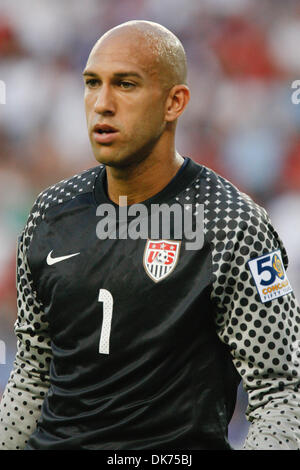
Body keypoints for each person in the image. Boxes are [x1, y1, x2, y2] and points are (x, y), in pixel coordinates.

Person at [0, 20, 300, 451]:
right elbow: (32, 371)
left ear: (174, 102)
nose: (102, 103)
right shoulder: (51, 212)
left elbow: (282, 391)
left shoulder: (231, 225)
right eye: (91, 84)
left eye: (125, 85)